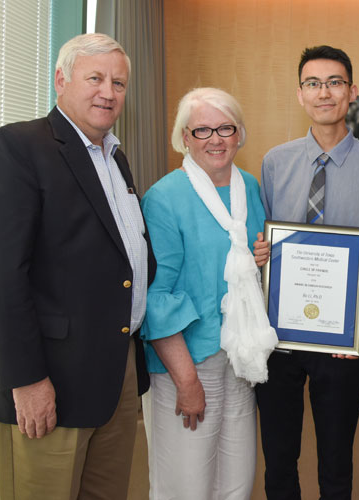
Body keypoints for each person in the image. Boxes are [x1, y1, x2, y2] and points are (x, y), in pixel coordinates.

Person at [0, 33, 155, 499]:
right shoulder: (16, 148)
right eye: (95, 78)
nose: (108, 92)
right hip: (49, 379)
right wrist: (27, 379)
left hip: (114, 373)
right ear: (60, 80)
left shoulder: (115, 157)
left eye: (119, 82)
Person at [254, 45, 359, 499]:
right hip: (279, 334)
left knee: (337, 460)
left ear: (351, 92)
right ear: (300, 94)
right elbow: (270, 239)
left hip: (343, 336)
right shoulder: (275, 162)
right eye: (313, 83)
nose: (324, 92)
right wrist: (261, 255)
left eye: (334, 82)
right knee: (278, 457)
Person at [140, 87, 277, 500]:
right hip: (188, 362)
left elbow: (247, 267)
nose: (215, 139)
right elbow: (156, 297)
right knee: (186, 486)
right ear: (184, 137)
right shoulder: (164, 198)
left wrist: (262, 257)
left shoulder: (249, 187)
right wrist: (187, 381)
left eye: (224, 127)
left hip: (240, 357)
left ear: (239, 135)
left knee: (236, 481)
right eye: (201, 130)